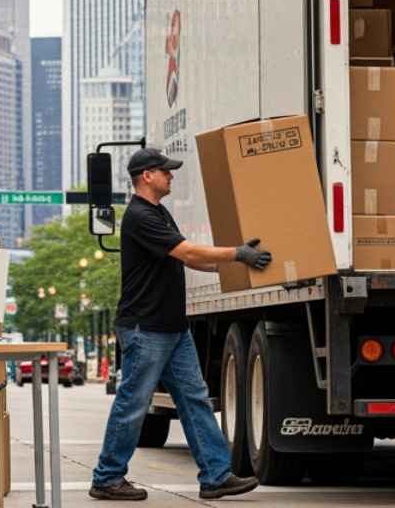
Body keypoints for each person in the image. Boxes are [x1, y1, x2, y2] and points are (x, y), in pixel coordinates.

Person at [89, 147, 270, 501]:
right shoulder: (140, 216)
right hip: (145, 328)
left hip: (172, 329)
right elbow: (187, 251)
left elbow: (186, 259)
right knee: (133, 404)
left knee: (195, 400)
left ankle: (216, 476)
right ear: (147, 176)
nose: (171, 175)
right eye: (165, 171)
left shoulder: (159, 212)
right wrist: (236, 253)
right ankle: (106, 478)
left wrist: (232, 265)